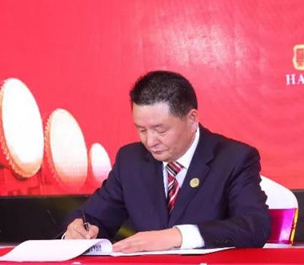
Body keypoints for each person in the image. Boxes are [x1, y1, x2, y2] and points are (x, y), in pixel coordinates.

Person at [63, 70, 271, 251]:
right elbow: (93, 216)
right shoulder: (131, 160)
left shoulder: (233, 158)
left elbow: (254, 226)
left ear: (192, 120)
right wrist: (79, 229)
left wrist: (177, 236)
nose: (150, 141)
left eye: (160, 130)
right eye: (141, 130)